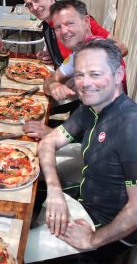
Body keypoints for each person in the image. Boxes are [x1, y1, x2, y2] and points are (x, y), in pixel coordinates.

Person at [27, 39, 137, 262]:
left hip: (108, 231)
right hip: (85, 200)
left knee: (19, 251)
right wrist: (55, 191)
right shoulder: (91, 107)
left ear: (118, 75)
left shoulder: (130, 126)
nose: (85, 83)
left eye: (95, 74)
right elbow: (48, 142)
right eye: (79, 75)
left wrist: (93, 240)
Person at [22, 0, 127, 139]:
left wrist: (52, 133)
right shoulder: (79, 53)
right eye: (58, 27)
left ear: (86, 22)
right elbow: (51, 79)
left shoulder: (100, 54)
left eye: (69, 23)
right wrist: (54, 85)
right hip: (85, 130)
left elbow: (101, 134)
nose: (64, 31)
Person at [22, 0, 128, 66]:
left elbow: (122, 48)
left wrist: (89, 68)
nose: (34, 7)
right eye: (29, 5)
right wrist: (53, 54)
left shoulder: (79, 20)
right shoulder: (46, 25)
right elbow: (66, 57)